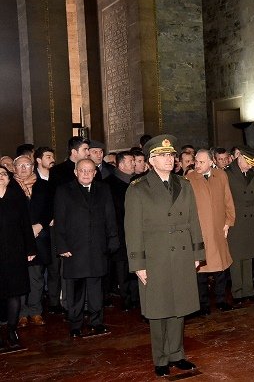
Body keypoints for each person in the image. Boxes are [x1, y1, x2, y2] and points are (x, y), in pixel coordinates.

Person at [124, 134, 205, 377]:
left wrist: (197, 253)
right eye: (162, 156)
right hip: (155, 257)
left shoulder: (184, 184)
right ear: (151, 160)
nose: (169, 159)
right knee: (158, 309)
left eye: (171, 155)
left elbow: (194, 220)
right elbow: (133, 229)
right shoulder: (138, 188)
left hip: (180, 254)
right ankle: (160, 357)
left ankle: (177, 354)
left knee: (179, 306)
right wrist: (138, 263)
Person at [54, 159, 119, 338]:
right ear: (75, 172)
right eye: (82, 170)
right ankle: (75, 325)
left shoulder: (103, 189)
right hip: (74, 249)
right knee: (75, 289)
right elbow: (59, 221)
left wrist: (113, 240)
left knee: (96, 288)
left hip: (97, 247)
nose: (85, 173)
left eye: (89, 171)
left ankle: (96, 322)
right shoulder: (63, 190)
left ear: (95, 173)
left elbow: (110, 217)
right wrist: (61, 246)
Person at [186, 149, 235, 313]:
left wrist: (228, 222)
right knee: (201, 269)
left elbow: (228, 199)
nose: (197, 165)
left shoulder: (221, 175)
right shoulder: (189, 178)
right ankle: (203, 304)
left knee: (221, 267)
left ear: (211, 162)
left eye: (201, 162)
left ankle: (221, 300)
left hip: (218, 229)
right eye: (196, 162)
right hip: (200, 230)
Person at [47, 136, 90, 315]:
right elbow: (53, 199)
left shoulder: (92, 170)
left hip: (85, 228)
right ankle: (67, 305)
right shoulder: (58, 172)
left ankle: (86, 304)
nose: (88, 153)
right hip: (66, 228)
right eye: (85, 150)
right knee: (64, 269)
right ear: (74, 152)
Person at [14, 155, 53, 328]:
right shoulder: (8, 188)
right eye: (19, 165)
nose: (23, 168)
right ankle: (21, 314)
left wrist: (40, 225)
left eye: (27, 165)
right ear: (14, 169)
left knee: (37, 277)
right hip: (17, 240)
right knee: (20, 278)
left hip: (39, 238)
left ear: (32, 167)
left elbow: (50, 209)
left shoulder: (44, 186)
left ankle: (36, 311)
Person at [0, 164, 36, 349]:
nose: (0, 176)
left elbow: (25, 225)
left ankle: (12, 329)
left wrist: (30, 249)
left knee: (14, 292)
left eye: (3, 174)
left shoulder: (16, 197)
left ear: (9, 178)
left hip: (15, 253)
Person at [225, 146, 254, 304]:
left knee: (248, 255)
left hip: (250, 220)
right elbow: (224, 200)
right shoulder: (227, 174)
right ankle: (237, 292)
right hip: (235, 220)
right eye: (248, 162)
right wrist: (226, 221)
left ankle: (249, 289)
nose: (250, 165)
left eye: (252, 163)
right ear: (239, 157)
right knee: (236, 257)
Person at [105, 151, 139, 311]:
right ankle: (126, 299)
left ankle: (136, 298)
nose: (134, 163)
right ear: (121, 165)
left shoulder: (137, 182)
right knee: (122, 269)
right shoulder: (109, 184)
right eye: (131, 161)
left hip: (135, 233)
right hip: (119, 234)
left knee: (136, 266)